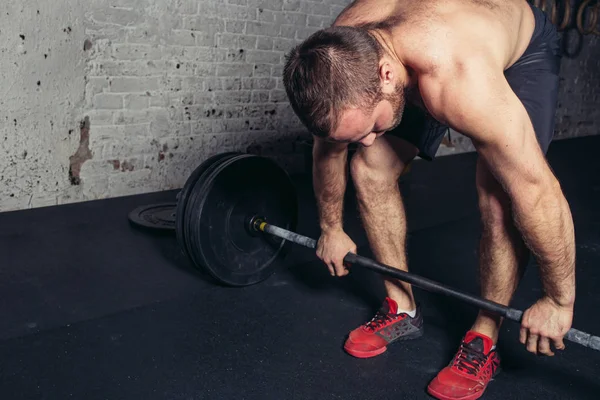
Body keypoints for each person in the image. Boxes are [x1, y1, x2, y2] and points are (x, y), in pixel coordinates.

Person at [282, 0, 576, 398]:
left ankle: (483, 338)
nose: (369, 140)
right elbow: (330, 148)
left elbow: (537, 190)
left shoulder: (457, 77)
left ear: (386, 75)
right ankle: (401, 307)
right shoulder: (339, 57)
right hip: (422, 54)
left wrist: (558, 299)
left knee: (498, 199)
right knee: (368, 167)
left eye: (370, 129)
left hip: (517, 50)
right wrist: (331, 227)